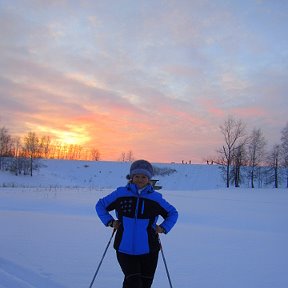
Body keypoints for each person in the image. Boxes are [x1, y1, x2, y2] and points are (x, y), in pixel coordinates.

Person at [96, 159, 178, 288]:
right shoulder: (120, 194)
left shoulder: (156, 198)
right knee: (134, 283)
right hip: (124, 248)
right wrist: (110, 222)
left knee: (144, 284)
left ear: (149, 178)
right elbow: (100, 205)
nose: (140, 179)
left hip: (149, 250)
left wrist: (163, 228)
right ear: (131, 177)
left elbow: (173, 213)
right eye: (137, 176)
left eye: (144, 176)